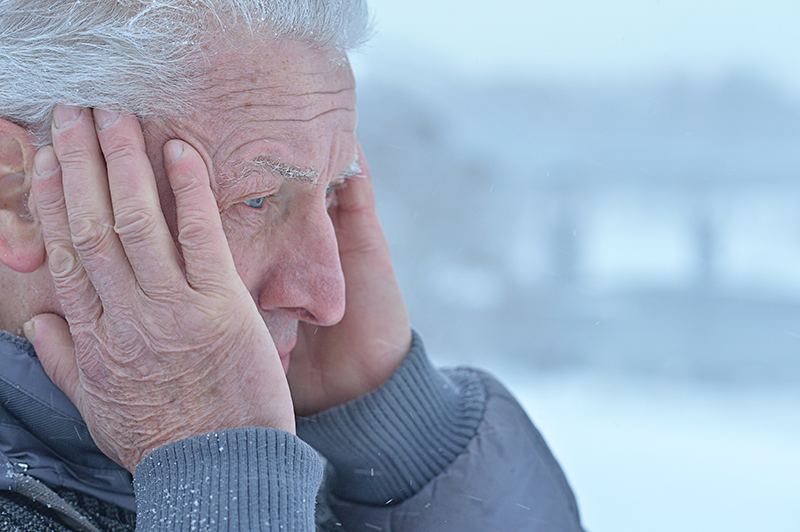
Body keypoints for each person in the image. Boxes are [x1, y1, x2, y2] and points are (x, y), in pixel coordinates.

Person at [0, 1, 584, 530]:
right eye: (255, 199)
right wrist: (222, 475)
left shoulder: (297, 454)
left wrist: (402, 447)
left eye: (331, 192)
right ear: (17, 194)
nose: (329, 299)